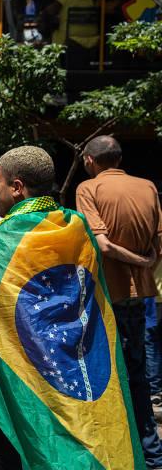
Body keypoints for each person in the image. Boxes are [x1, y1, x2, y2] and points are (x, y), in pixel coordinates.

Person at [0, 146, 145, 469]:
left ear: (17, 188)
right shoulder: (77, 228)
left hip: (23, 385)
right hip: (81, 376)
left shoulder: (1, 240)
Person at [76, 135, 162, 469]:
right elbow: (156, 247)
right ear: (120, 158)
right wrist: (143, 264)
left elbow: (104, 246)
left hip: (105, 297)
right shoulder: (148, 187)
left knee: (104, 378)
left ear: (89, 160)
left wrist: (138, 263)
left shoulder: (88, 189)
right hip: (138, 296)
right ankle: (151, 456)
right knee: (138, 376)